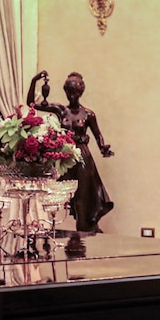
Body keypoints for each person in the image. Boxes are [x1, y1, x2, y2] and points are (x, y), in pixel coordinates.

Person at [27, 71, 114, 233]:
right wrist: (34, 81)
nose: (71, 95)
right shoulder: (60, 110)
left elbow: (98, 135)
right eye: (69, 91)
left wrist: (103, 148)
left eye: (74, 92)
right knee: (66, 197)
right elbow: (31, 103)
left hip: (82, 156)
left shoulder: (88, 114)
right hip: (64, 156)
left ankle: (83, 231)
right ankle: (71, 234)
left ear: (81, 92)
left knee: (82, 197)